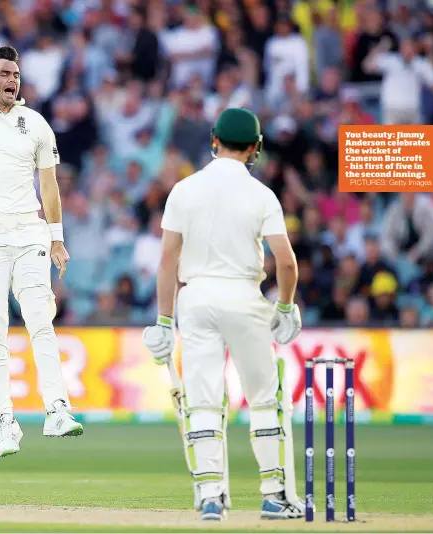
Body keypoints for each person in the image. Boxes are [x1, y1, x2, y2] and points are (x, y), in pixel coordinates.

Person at [142, 108, 303, 521]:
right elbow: (285, 263)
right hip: (244, 298)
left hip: (195, 300)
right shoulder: (261, 194)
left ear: (214, 141)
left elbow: (167, 261)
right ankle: (274, 495)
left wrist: (164, 320)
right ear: (255, 149)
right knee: (266, 399)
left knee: (203, 400)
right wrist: (284, 307)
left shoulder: (183, 189)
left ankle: (211, 496)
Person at [0, 6, 83, 458]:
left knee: (41, 321)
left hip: (30, 233)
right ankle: (6, 421)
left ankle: (57, 409)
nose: (13, 80)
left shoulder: (36, 125)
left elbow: (49, 185)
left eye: (17, 74)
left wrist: (57, 238)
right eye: (4, 73)